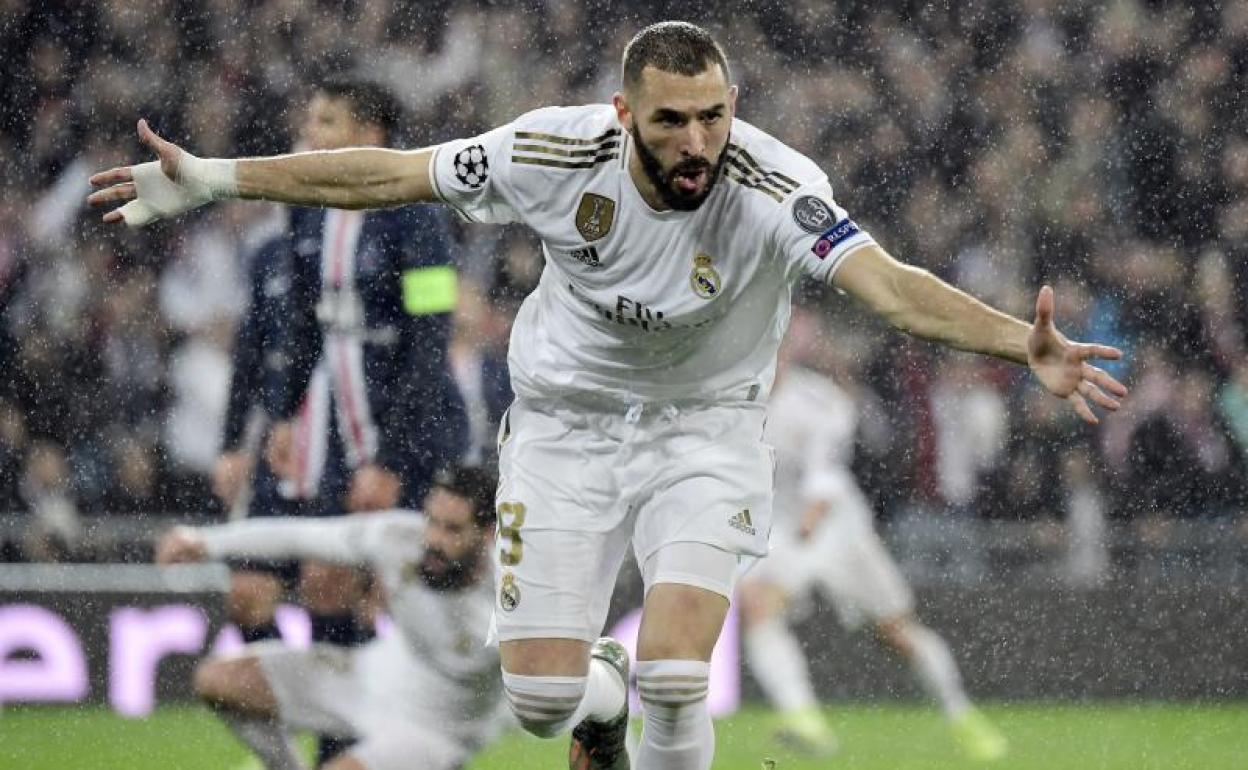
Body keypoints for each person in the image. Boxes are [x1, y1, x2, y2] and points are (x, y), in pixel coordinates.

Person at [89, 21, 1127, 770]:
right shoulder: (552, 150)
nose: (698, 142)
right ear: (626, 113)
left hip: (706, 431)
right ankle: (601, 699)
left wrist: (1012, 342)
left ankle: (642, 698)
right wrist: (220, 177)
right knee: (541, 701)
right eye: (673, 121)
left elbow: (889, 284)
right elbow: (386, 177)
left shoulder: (773, 187)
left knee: (681, 674)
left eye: (715, 117)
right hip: (561, 429)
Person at [262, 75, 470, 764]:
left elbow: (431, 336)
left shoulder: (418, 213)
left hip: (409, 430)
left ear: (370, 135)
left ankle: (417, 737)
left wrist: (393, 457)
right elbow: (298, 317)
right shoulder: (305, 207)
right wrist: (286, 412)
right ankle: (341, 743)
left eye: (326, 122)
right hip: (331, 422)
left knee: (392, 592)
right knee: (323, 581)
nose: (310, 134)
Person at [739, 328, 1007, 760]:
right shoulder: (732, 405)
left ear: (787, 353)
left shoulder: (821, 401)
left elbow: (824, 475)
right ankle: (805, 721)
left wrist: (800, 532)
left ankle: (960, 713)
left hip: (837, 527)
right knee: (756, 607)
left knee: (897, 632)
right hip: (782, 528)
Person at [155, 465, 501, 770]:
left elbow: (545, 686)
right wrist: (206, 543)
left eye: (453, 529)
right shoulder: (397, 539)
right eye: (432, 522)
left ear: (487, 534)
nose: (434, 540)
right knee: (218, 679)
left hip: (435, 732)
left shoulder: (513, 599)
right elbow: (300, 536)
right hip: (369, 677)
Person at [212, 232, 300, 648]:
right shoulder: (270, 254)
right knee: (246, 597)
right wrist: (231, 446)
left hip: (345, 446)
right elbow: (249, 352)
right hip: (276, 447)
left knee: (333, 587)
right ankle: (291, 704)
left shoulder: (385, 232)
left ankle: (344, 706)